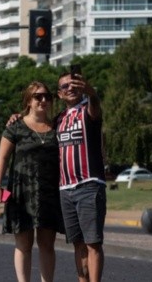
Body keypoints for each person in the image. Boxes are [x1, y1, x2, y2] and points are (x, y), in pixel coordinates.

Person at [0, 81, 63, 282]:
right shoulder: (16, 126)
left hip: (49, 192)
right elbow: (3, 159)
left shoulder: (57, 126)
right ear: (28, 101)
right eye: (38, 96)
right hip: (21, 191)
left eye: (47, 96)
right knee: (24, 244)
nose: (43, 100)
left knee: (47, 244)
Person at [55, 71, 106, 282]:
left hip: (89, 186)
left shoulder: (88, 112)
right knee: (77, 244)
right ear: (59, 94)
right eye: (65, 86)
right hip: (65, 190)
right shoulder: (58, 119)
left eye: (74, 84)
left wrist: (91, 92)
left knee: (93, 243)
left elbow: (95, 104)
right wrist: (19, 116)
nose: (70, 88)